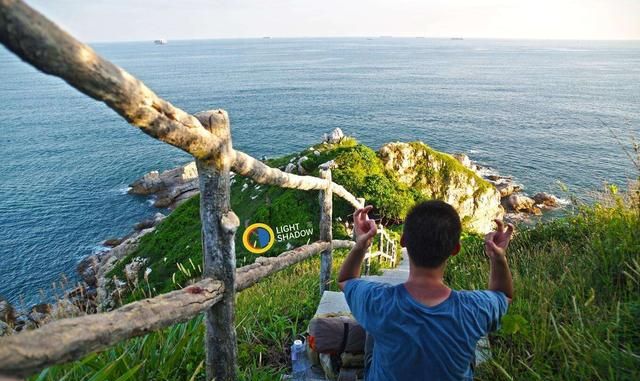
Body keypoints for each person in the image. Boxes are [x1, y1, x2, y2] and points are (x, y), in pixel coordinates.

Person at [338, 200, 514, 381]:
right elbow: (504, 296)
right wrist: (497, 256)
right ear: (455, 249)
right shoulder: (474, 308)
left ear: (403, 241)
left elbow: (346, 280)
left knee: (372, 327)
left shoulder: (378, 300)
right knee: (468, 349)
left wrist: (361, 245)